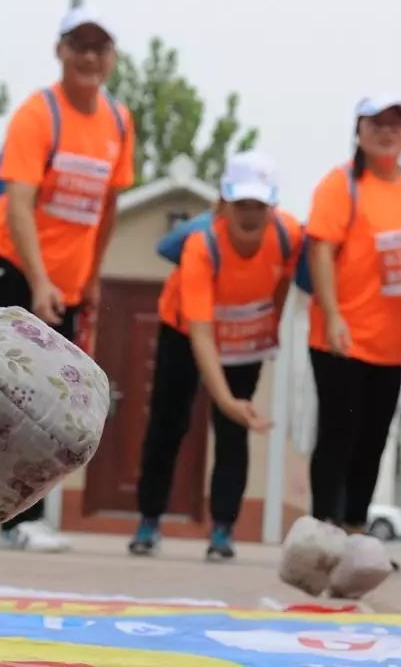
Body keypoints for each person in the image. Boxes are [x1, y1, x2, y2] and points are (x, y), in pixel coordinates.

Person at [0, 6, 134, 553]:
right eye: (78, 45)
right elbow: (18, 205)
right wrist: (39, 281)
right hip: (10, 264)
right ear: (59, 51)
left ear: (111, 58)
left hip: (64, 283)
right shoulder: (38, 115)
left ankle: (24, 517)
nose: (88, 56)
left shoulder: (118, 121)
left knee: (48, 396)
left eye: (99, 46)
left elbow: (107, 207)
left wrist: (90, 276)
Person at [129, 151, 300, 561]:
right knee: (168, 423)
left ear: (272, 207)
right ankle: (149, 519)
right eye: (241, 204)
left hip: (245, 333)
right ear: (223, 205)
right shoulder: (201, 246)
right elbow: (201, 334)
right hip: (185, 329)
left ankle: (223, 530)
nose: (250, 215)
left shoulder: (289, 235)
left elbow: (284, 281)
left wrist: (271, 325)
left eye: (259, 205)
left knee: (233, 431)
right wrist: (224, 399)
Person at [305, 96, 401, 546]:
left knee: (373, 439)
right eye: (377, 123)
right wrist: (332, 315)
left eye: (396, 124)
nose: (387, 132)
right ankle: (323, 528)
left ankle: (356, 530)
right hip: (339, 338)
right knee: (337, 434)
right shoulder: (340, 184)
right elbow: (321, 249)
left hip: (390, 343)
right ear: (359, 130)